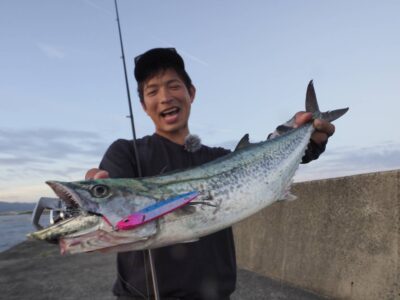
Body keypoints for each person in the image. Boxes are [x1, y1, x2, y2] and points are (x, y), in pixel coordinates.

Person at [85, 48, 335, 300]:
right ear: (143, 105)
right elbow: (109, 196)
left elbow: (267, 155)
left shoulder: (220, 158)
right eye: (152, 91)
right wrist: (97, 190)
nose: (164, 97)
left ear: (191, 93)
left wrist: (306, 138)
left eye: (173, 86)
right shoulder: (125, 153)